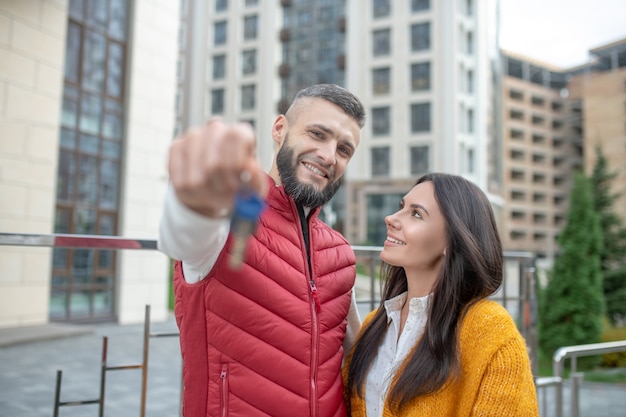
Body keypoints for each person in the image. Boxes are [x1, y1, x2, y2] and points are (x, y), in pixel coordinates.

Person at [158, 84, 366, 417]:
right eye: (317, 133)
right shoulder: (229, 215)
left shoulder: (340, 253)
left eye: (344, 149)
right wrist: (190, 197)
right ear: (280, 129)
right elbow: (181, 237)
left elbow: (361, 354)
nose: (329, 155)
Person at [344, 173, 539, 417]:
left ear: (452, 239)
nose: (391, 218)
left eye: (416, 214)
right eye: (401, 207)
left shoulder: (491, 333)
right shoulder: (375, 324)